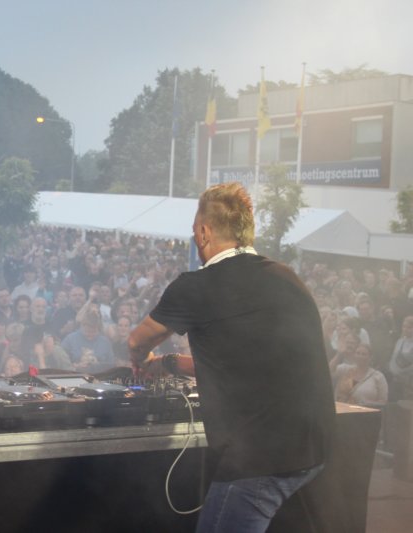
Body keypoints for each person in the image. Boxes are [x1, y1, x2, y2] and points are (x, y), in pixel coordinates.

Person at [128, 183, 335, 533]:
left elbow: (137, 339)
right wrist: (168, 363)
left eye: (195, 231)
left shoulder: (197, 286)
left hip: (261, 455)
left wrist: (141, 359)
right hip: (315, 445)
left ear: (204, 232)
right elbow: (246, 363)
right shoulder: (287, 277)